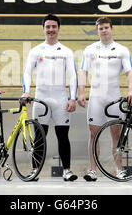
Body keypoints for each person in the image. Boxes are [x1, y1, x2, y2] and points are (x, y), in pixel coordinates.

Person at [78, 17, 132, 181]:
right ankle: (93, 170)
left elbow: (129, 72)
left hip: (114, 98)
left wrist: (131, 91)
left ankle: (119, 169)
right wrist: (81, 93)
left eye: (106, 28)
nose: (103, 30)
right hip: (96, 97)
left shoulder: (121, 50)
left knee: (116, 135)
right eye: (100, 28)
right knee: (93, 134)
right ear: (97, 31)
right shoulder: (90, 49)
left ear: (112, 29)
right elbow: (83, 71)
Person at [22, 14, 78, 181]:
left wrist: (72, 98)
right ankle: (34, 170)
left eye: (54, 26)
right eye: (48, 26)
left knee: (63, 136)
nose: (51, 30)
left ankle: (67, 171)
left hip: (60, 98)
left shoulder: (66, 51)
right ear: (44, 28)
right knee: (39, 136)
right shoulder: (36, 50)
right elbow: (26, 72)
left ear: (58, 28)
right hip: (41, 98)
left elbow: (73, 76)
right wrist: (26, 91)